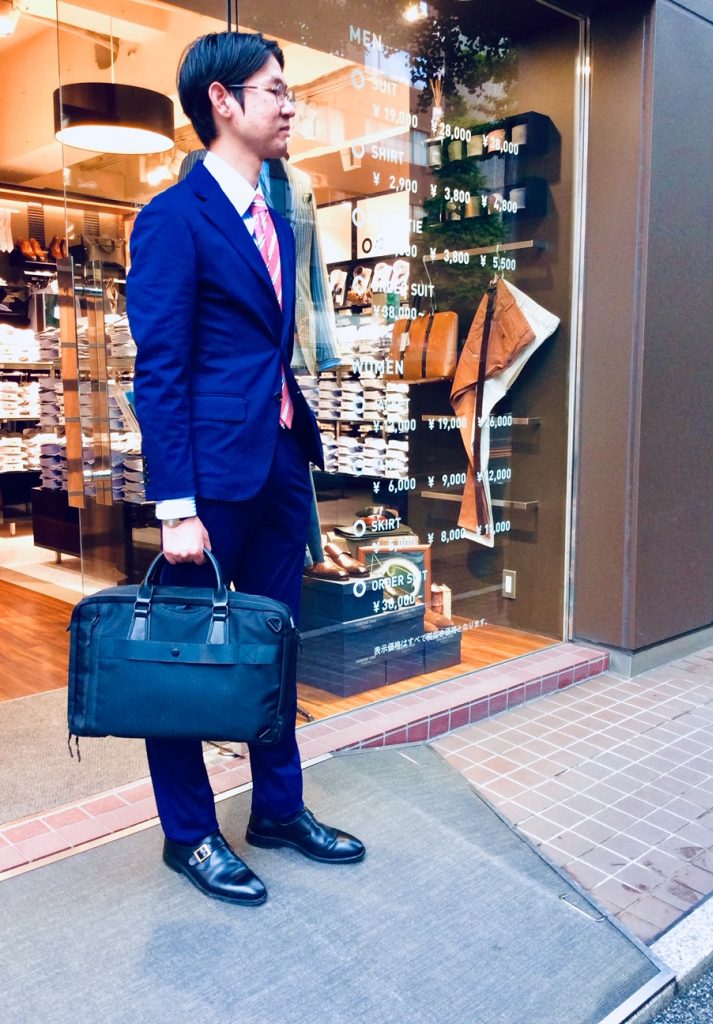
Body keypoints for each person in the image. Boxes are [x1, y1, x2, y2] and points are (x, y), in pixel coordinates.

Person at [126, 30, 365, 906]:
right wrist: (175, 504)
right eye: (274, 89)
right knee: (183, 661)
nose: (289, 105)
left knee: (273, 647)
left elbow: (267, 346)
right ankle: (189, 834)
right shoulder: (171, 219)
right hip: (209, 483)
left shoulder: (276, 212)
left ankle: (278, 810)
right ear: (221, 102)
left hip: (276, 465)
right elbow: (160, 370)